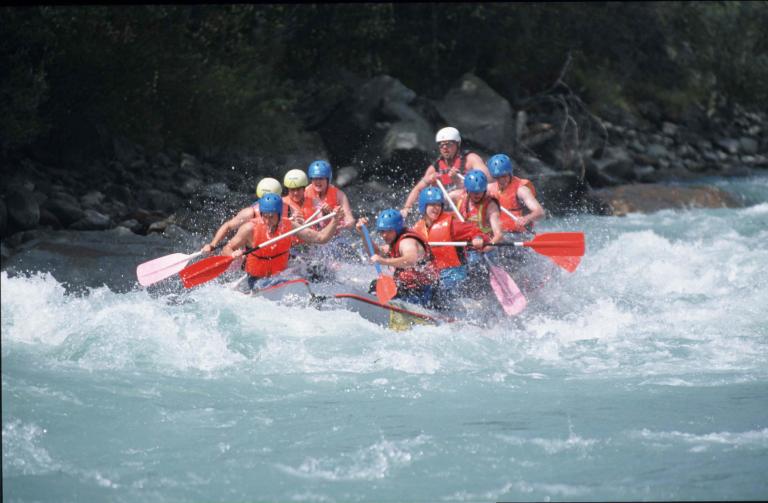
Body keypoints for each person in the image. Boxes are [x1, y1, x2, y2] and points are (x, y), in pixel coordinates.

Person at [221, 193, 344, 290]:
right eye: (265, 216)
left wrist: (335, 220)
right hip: (257, 279)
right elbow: (226, 249)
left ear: (279, 215)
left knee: (318, 270)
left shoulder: (289, 226)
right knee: (278, 283)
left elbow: (321, 238)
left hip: (282, 275)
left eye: (272, 216)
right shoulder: (249, 229)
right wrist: (232, 255)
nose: (268, 221)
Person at [411, 187, 490, 308]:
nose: (436, 208)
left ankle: (440, 311)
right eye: (432, 204)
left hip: (455, 274)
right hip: (435, 274)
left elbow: (475, 231)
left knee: (437, 293)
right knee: (416, 287)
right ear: (423, 206)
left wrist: (478, 238)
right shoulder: (417, 229)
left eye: (438, 205)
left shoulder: (451, 225)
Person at [355, 209, 439, 308]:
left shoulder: (407, 242)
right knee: (375, 285)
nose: (384, 235)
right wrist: (364, 234)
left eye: (389, 231)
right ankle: (374, 305)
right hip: (408, 287)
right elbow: (376, 253)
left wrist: (384, 261)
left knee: (398, 291)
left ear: (397, 229)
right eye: (382, 231)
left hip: (424, 291)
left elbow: (410, 259)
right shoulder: (394, 241)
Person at [401, 127, 490, 218]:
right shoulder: (434, 169)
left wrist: (459, 180)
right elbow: (418, 189)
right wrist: (407, 208)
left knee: (456, 194)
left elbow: (488, 181)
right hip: (447, 210)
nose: (444, 148)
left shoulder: (470, 159)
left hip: (472, 205)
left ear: (457, 144)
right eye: (441, 145)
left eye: (448, 144)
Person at [201, 177, 285, 254]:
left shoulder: (286, 207)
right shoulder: (250, 213)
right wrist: (212, 245)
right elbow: (228, 226)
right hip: (251, 249)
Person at [486, 154, 544, 234]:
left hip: (520, 235)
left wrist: (526, 218)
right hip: (499, 233)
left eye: (504, 176)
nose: (501, 180)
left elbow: (540, 212)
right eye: (497, 177)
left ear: (510, 173)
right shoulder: (489, 188)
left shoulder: (521, 190)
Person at [304, 160, 355, 229]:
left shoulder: (340, 195)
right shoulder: (305, 193)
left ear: (328, 179)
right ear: (311, 179)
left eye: (321, 178)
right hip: (311, 233)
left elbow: (350, 219)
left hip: (333, 236)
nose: (318, 182)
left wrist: (346, 222)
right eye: (315, 178)